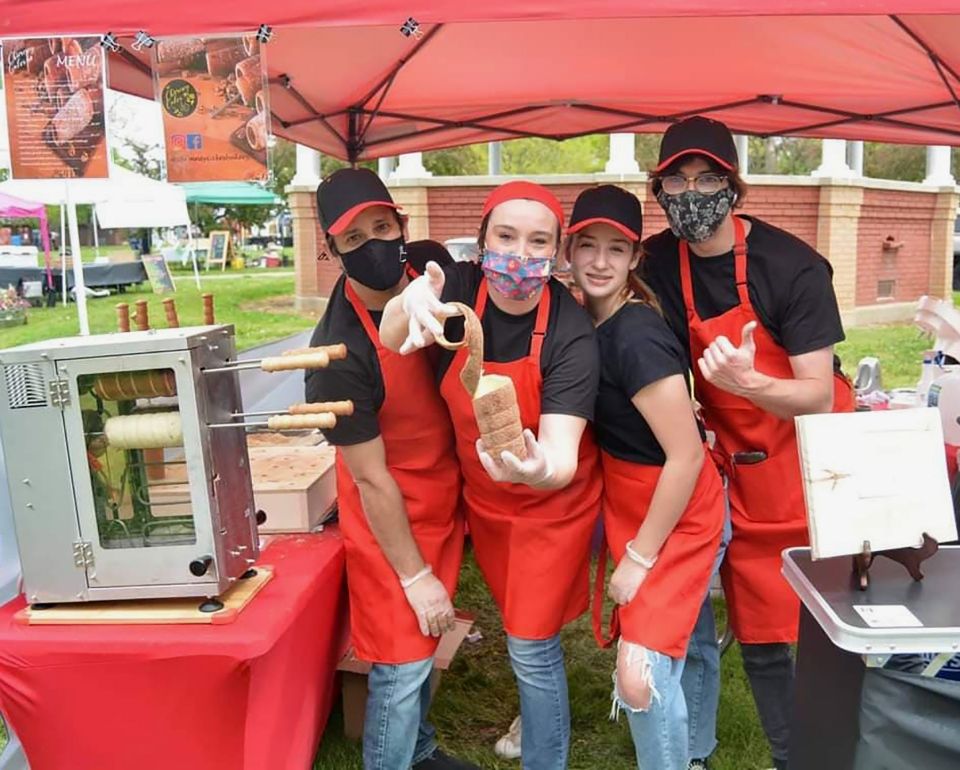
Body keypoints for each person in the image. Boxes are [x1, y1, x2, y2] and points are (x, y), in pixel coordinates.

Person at [642, 116, 855, 770]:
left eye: (707, 179)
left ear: (734, 188)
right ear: (659, 190)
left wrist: (749, 383)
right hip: (736, 461)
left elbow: (817, 394)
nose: (692, 192)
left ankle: (831, 749)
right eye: (677, 180)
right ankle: (781, 756)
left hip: (812, 463)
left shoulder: (791, 266)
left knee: (821, 629)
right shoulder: (656, 262)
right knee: (753, 630)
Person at [380, 180, 602, 770]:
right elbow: (391, 337)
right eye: (506, 236)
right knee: (518, 625)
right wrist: (407, 304)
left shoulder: (570, 332)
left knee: (530, 643)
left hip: (551, 511)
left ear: (556, 253)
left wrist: (537, 469)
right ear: (482, 242)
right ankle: (536, 717)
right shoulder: (456, 286)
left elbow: (561, 458)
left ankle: (545, 755)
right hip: (483, 501)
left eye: (538, 242)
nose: (519, 255)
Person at [305, 167, 476, 770]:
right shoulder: (336, 357)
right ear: (332, 249)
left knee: (425, 644)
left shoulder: (429, 270)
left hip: (442, 501)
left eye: (382, 227)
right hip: (389, 520)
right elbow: (370, 478)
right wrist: (413, 575)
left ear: (402, 226)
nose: (374, 244)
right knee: (400, 663)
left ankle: (419, 751)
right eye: (354, 238)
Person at [565, 185, 724, 770]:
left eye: (616, 249)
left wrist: (638, 557)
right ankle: (694, 752)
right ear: (569, 251)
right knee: (687, 637)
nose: (599, 261)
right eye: (588, 245)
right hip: (632, 497)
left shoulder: (636, 335)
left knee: (639, 676)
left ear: (635, 257)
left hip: (679, 509)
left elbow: (685, 457)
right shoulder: (586, 316)